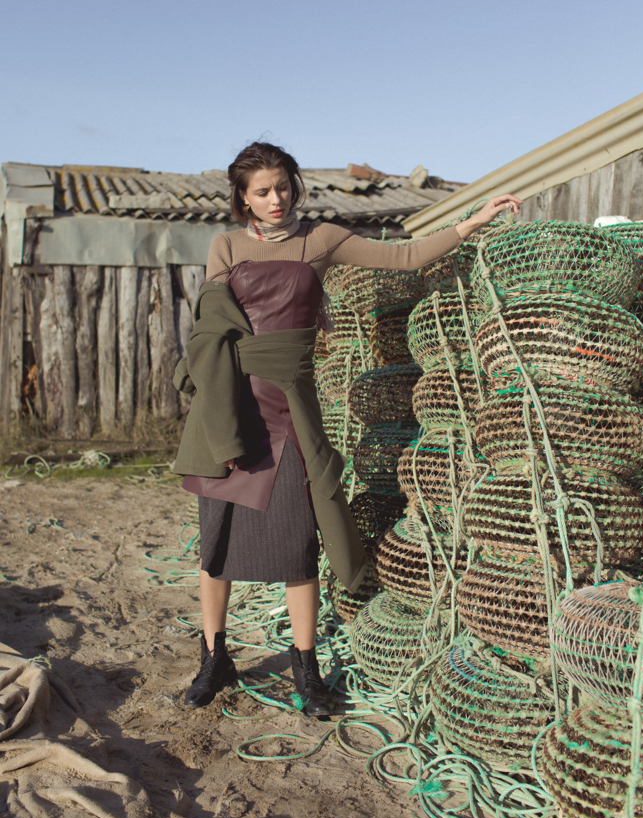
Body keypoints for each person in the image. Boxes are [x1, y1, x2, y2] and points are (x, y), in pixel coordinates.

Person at [172, 141, 521, 716]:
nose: (276, 198)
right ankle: (215, 657)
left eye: (283, 186)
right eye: (262, 191)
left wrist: (472, 220)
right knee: (218, 546)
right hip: (230, 406)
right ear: (242, 198)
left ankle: (305, 670)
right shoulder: (225, 246)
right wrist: (218, 423)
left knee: (298, 544)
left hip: (292, 413)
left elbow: (406, 258)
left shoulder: (324, 239)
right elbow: (212, 336)